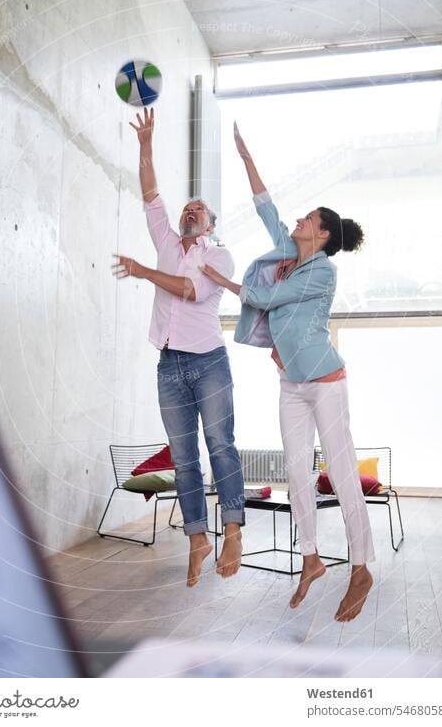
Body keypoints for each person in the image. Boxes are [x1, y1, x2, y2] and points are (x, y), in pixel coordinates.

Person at [200, 122, 374, 622]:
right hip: (291, 384)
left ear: (320, 234)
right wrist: (245, 156)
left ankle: (360, 568)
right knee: (295, 471)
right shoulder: (286, 251)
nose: (298, 220)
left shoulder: (322, 270)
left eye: (308, 219)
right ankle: (312, 559)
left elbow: (263, 299)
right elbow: (266, 207)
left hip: (325, 384)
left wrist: (223, 282)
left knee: (341, 476)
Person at [112, 108, 245, 587]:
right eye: (187, 206)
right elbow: (150, 192)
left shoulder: (218, 257)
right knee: (184, 456)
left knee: (220, 445)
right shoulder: (167, 240)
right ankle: (197, 540)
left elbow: (189, 291)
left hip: (209, 363)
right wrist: (146, 143)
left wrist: (145, 272)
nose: (190, 210)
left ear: (210, 223)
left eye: (199, 208)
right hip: (168, 364)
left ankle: (232, 529)